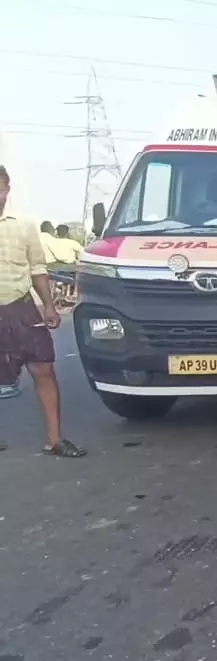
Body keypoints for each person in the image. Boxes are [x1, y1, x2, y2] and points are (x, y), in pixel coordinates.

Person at [0, 166, 86, 457]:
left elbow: (37, 269)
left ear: (7, 189)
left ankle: (55, 440)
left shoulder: (23, 228)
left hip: (22, 309)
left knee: (44, 370)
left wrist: (49, 306)